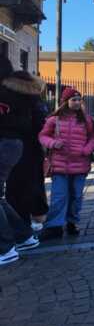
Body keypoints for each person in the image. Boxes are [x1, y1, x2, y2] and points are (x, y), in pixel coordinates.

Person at [38, 87, 94, 240]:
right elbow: (43, 136)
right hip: (59, 166)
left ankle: (72, 222)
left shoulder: (86, 120)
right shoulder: (54, 120)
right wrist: (52, 143)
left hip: (80, 165)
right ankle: (54, 226)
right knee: (59, 197)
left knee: (76, 196)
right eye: (74, 100)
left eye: (79, 100)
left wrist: (87, 149)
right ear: (65, 102)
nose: (77, 102)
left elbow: (93, 137)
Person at [0, 59, 40, 264]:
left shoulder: (5, 93)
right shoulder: (19, 91)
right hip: (15, 144)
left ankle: (5, 248)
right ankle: (24, 237)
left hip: (5, 143)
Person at [4, 71, 49, 228]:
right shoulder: (35, 99)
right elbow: (41, 124)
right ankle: (35, 218)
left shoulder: (8, 97)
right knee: (33, 185)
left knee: (13, 188)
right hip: (32, 148)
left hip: (12, 146)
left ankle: (19, 224)